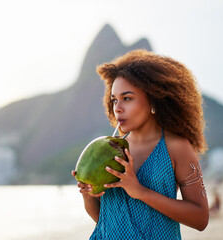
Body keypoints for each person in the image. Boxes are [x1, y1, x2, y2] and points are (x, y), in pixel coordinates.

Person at [72, 49, 209, 239]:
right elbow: (105, 221)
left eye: (127, 98)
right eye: (114, 100)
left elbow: (200, 218)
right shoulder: (111, 151)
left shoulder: (176, 147)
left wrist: (140, 192)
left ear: (153, 99)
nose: (118, 108)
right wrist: (88, 195)